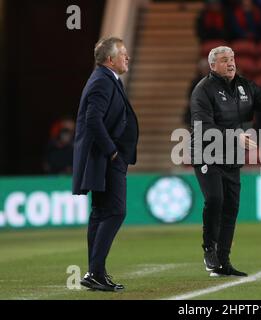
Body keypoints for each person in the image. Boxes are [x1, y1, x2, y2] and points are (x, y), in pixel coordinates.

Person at [190, 46, 261, 276]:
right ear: (212, 66)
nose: (230, 63)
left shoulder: (243, 86)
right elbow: (203, 126)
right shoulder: (203, 90)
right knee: (215, 198)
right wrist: (234, 135)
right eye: (224, 60)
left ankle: (223, 262)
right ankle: (209, 249)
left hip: (232, 155)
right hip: (206, 152)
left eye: (232, 59)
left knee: (231, 207)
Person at [72, 37, 139, 291]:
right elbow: (93, 120)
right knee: (115, 211)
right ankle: (95, 271)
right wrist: (112, 152)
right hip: (106, 159)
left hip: (104, 159)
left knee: (101, 213)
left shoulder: (105, 77)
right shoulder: (102, 80)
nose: (127, 57)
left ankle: (96, 272)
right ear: (110, 59)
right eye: (123, 54)